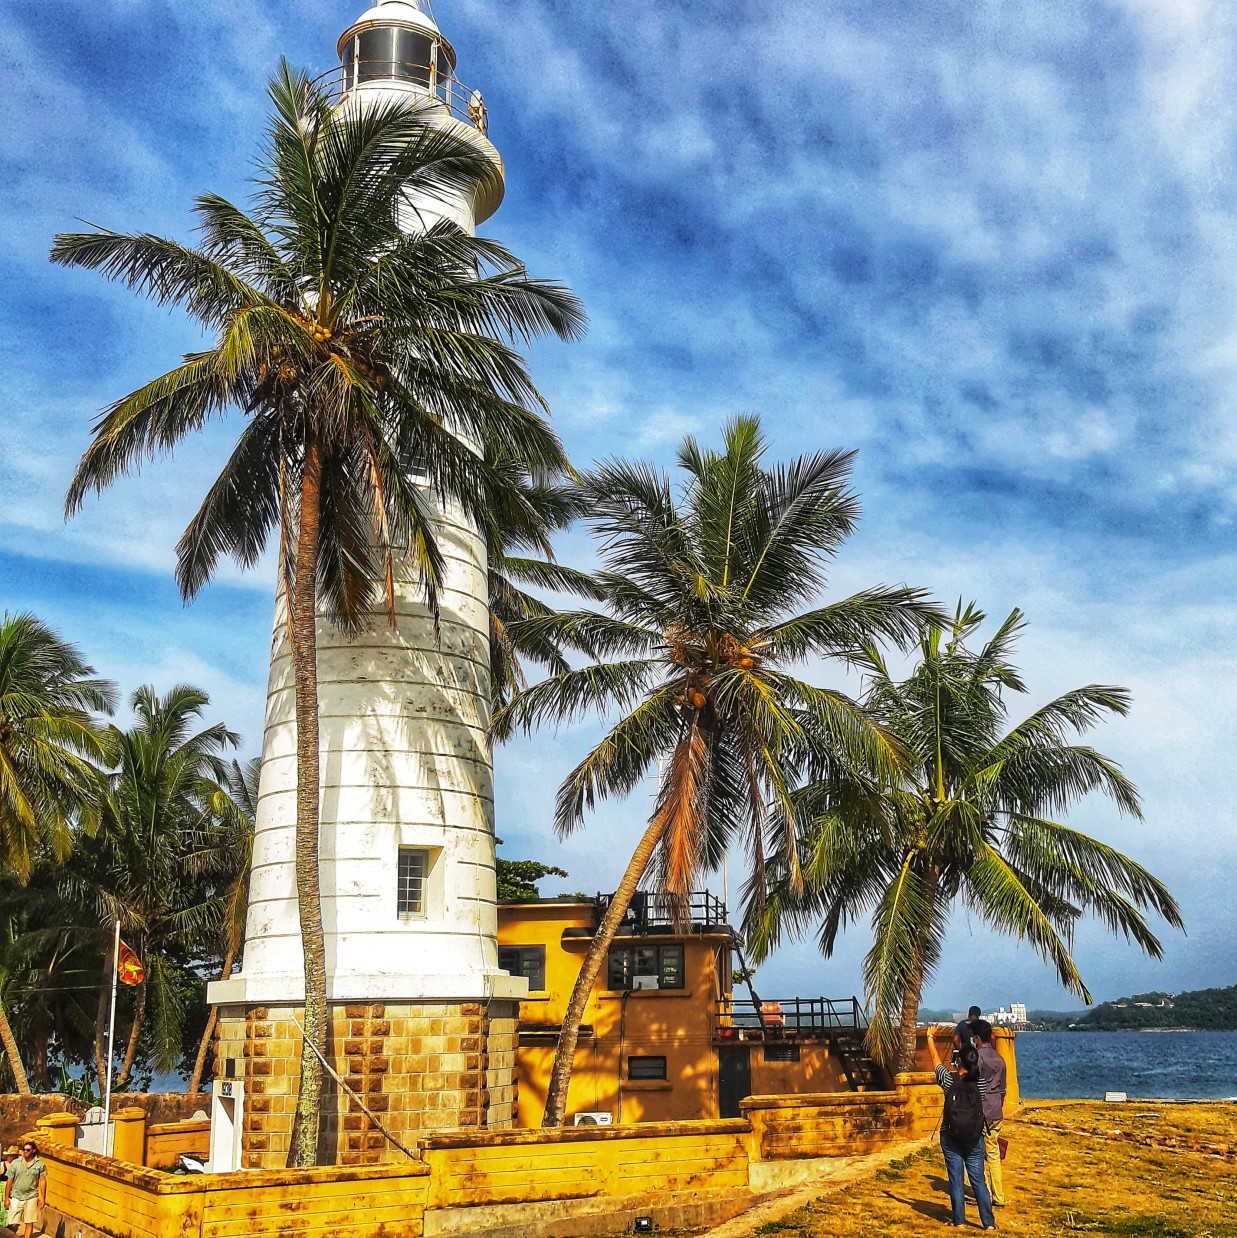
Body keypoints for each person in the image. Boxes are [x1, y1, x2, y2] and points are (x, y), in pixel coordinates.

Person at [928, 1027, 996, 1230]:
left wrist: (930, 1037)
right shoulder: (981, 1084)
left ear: (959, 1062)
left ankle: (959, 1221)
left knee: (956, 1179)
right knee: (978, 1181)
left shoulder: (949, 1081)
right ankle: (989, 1224)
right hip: (975, 1138)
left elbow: (935, 1061)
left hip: (951, 1136)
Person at [973, 1019, 1007, 1208]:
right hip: (996, 1110)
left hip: (981, 1111)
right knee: (993, 1153)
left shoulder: (978, 1058)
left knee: (976, 1153)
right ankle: (998, 1195)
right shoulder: (999, 1059)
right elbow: (1003, 1089)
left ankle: (983, 1194)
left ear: (977, 1038)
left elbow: (972, 1085)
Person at [4, 1140, 46, 1238]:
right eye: (24, 1150)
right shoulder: (15, 1163)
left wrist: (42, 1198)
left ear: (33, 1151)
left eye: (28, 1150)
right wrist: (6, 1198)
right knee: (13, 1223)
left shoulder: (39, 1165)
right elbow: (9, 1181)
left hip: (31, 1196)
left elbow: (42, 1181)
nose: (25, 1152)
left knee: (29, 1222)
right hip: (16, 1196)